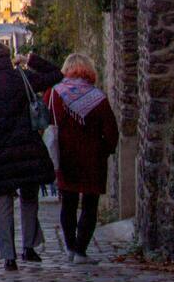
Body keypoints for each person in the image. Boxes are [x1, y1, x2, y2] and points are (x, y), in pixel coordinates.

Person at [0, 43, 62, 271]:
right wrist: (30, 59)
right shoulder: (23, 78)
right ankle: (29, 246)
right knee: (29, 198)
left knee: (2, 202)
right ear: (9, 58)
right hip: (26, 148)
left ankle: (8, 255)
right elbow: (57, 74)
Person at [45, 53, 120, 264]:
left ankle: (69, 247)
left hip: (65, 156)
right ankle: (80, 250)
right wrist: (105, 150)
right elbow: (111, 130)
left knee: (68, 204)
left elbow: (45, 121)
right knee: (90, 204)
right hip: (92, 159)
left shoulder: (54, 94)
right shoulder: (97, 98)